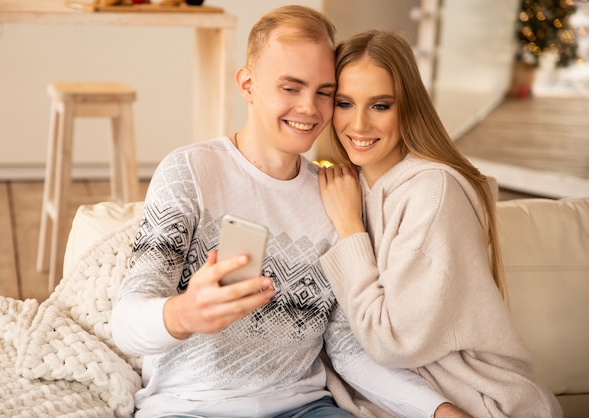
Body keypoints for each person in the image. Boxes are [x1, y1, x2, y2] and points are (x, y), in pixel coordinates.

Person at [111, 6, 469, 418]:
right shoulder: (190, 172)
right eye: (291, 88)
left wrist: (438, 410)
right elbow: (125, 323)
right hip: (190, 407)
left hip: (304, 409)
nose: (309, 109)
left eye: (324, 92)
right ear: (247, 84)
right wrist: (182, 314)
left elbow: (348, 348)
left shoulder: (335, 194)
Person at [317, 29, 563, 418]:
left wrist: (349, 227)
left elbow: (390, 342)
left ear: (409, 107)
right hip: (388, 397)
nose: (358, 124)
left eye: (380, 105)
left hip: (476, 403)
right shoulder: (348, 185)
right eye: (345, 103)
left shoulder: (432, 193)